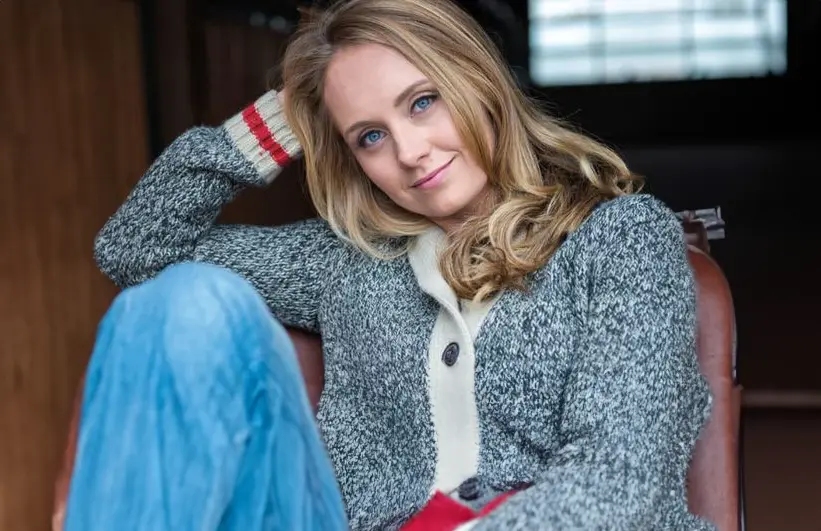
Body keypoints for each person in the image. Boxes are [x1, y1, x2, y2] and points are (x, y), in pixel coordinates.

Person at [63, 0, 715, 529]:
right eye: (368, 136)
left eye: (422, 101)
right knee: (184, 302)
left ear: (474, 81)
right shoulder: (341, 262)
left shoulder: (622, 238)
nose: (408, 151)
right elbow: (135, 249)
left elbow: (617, 481)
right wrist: (280, 118)